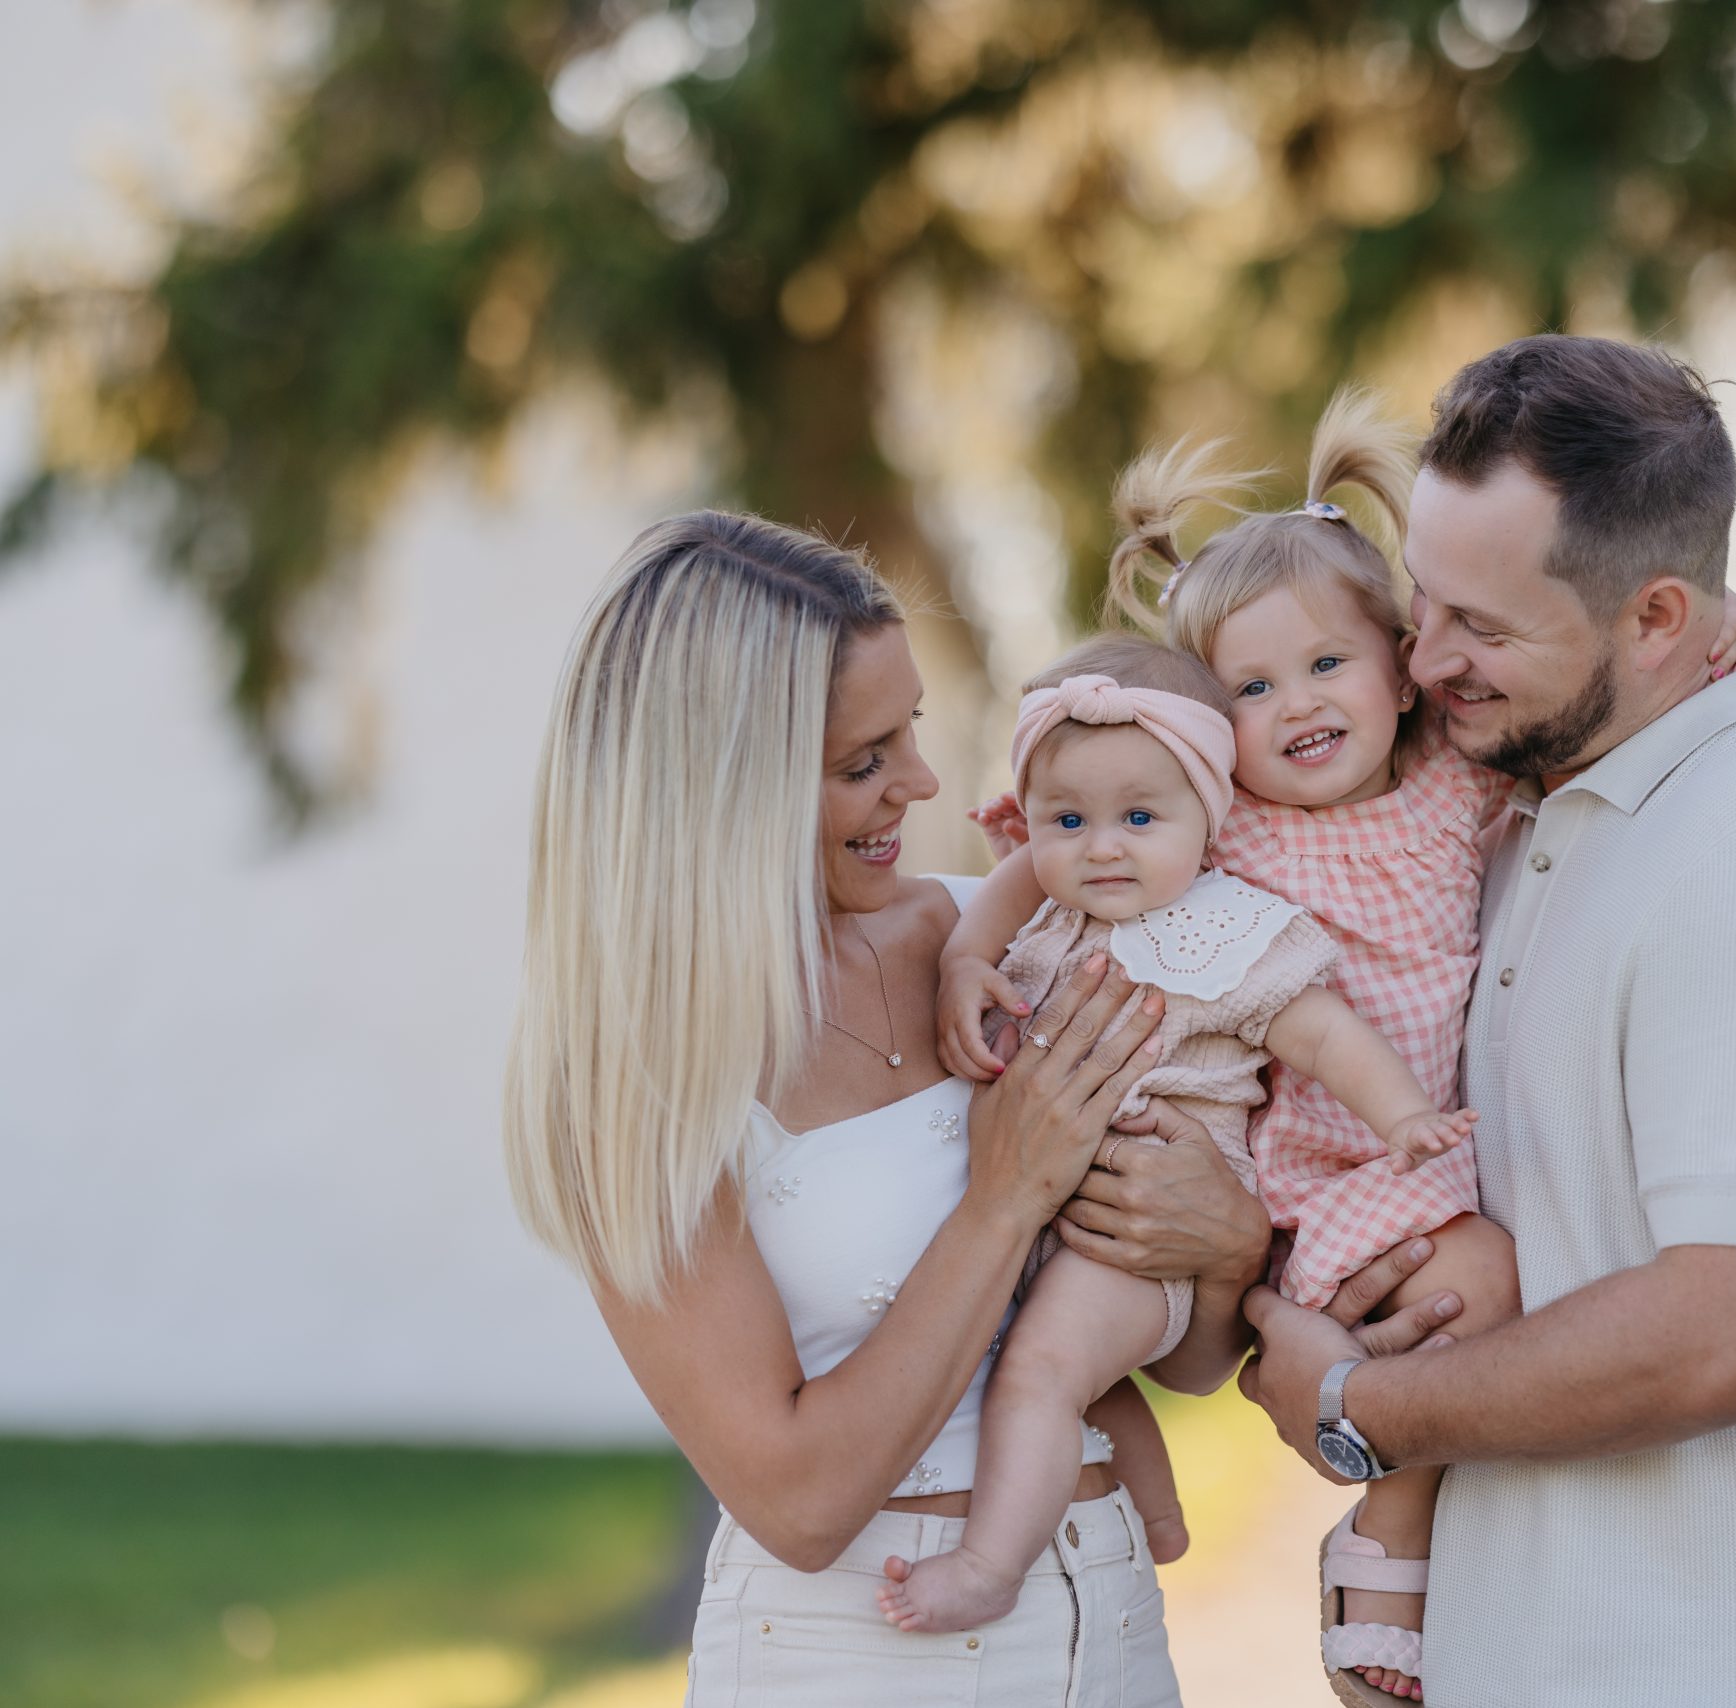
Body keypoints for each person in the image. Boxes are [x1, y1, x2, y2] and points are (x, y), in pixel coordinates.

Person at [499, 511, 1459, 1706]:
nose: (924, 782)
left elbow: (1195, 1363)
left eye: (906, 730)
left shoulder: (1004, 941)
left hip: (1109, 1625)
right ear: (722, 787)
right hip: (858, 1653)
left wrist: (1222, 1243)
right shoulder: (638, 1081)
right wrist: (1003, 1199)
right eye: (864, 760)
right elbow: (796, 1502)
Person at [954, 394, 1736, 1704]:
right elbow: (1043, 850)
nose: (1299, 706)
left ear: (1399, 669)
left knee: (1476, 1301)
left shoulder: (1460, 781)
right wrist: (965, 951)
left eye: (1327, 666)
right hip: (1312, 1169)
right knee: (1486, 1283)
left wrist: (1716, 636)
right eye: (1253, 690)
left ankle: (1379, 1513)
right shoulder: (1227, 834)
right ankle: (1383, 1539)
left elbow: (1602, 713)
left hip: (1416, 1146)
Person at [1238, 336, 1736, 1708]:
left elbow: (1733, 1330)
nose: (1423, 655)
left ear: (1656, 619)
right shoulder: (1537, 802)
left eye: (1485, 629)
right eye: (1424, 601)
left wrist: (1361, 1414)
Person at [879, 635, 1475, 1638]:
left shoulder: (1229, 932)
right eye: (1069, 819)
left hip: (1142, 1230)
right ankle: (1152, 1509)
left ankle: (987, 1565)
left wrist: (1402, 1115)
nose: (1102, 846)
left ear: (1209, 817)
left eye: (1140, 818)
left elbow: (1325, 1033)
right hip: (1044, 1213)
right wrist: (959, 969)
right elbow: (1000, 898)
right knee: (1031, 1357)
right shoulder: (1051, 913)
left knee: (1040, 1369)